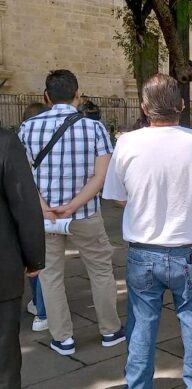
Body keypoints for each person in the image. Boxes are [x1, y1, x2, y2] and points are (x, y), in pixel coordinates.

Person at [103, 74, 192, 388]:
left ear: (144, 108)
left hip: (143, 251)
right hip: (191, 251)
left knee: (142, 324)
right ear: (181, 105)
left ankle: (138, 384)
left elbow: (117, 197)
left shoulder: (127, 142)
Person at [19, 69, 124, 356]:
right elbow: (101, 176)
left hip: (45, 217)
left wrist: (42, 205)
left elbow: (21, 175)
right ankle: (109, 331)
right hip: (85, 213)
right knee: (101, 270)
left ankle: (62, 337)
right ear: (78, 95)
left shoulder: (28, 128)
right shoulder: (94, 128)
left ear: (46, 96)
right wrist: (75, 204)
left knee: (50, 276)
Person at [0, 130, 45, 389]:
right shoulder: (5, 143)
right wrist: (34, 258)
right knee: (4, 359)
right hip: (3, 267)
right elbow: (25, 206)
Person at [21, 102, 50, 332]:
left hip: (27, 208)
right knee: (44, 263)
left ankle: (38, 307)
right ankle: (42, 311)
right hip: (48, 207)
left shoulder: (21, 139)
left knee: (33, 260)